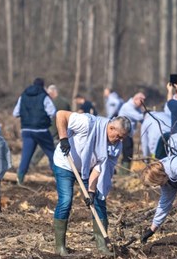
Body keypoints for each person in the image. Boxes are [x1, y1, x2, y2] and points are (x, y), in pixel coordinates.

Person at [52, 110, 130, 256]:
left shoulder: (115, 145)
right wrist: (63, 139)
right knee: (66, 200)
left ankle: (102, 247)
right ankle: (60, 247)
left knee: (98, 201)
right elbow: (60, 114)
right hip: (65, 163)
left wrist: (91, 191)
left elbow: (99, 168)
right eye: (118, 136)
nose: (119, 140)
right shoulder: (87, 123)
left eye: (122, 138)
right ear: (111, 128)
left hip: (88, 169)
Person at [12, 78, 57, 184]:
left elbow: (15, 113)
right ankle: (59, 177)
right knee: (52, 154)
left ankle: (20, 178)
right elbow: (53, 112)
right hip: (41, 130)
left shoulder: (23, 96)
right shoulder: (44, 96)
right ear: (42, 86)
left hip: (26, 130)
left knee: (25, 156)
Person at [116, 92, 146, 172]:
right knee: (127, 152)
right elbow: (139, 117)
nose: (142, 103)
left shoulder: (136, 107)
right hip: (122, 133)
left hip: (128, 133)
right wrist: (147, 113)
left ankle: (126, 170)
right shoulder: (128, 106)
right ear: (136, 99)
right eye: (141, 101)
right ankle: (123, 172)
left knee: (129, 151)